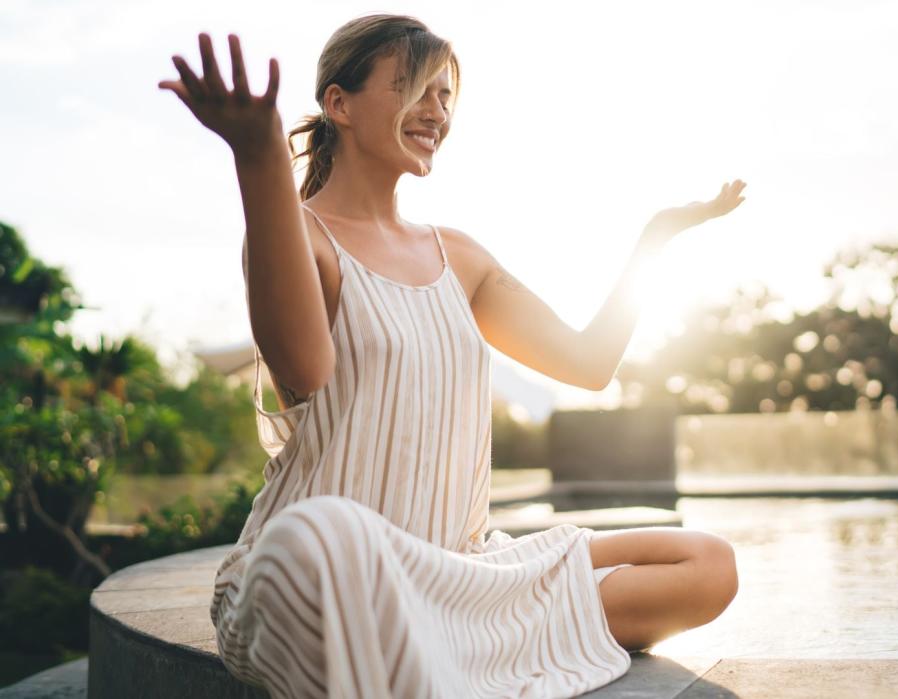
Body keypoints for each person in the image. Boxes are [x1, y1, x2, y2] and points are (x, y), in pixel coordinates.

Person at [158, 13, 745, 698]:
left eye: (444, 93)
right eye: (413, 86)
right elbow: (306, 370)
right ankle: (444, 653)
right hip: (317, 571)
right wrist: (257, 156)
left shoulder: (457, 256)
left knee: (706, 560)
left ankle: (448, 649)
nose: (435, 108)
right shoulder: (302, 238)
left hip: (460, 578)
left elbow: (589, 363)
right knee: (324, 530)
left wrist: (654, 240)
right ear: (338, 105)